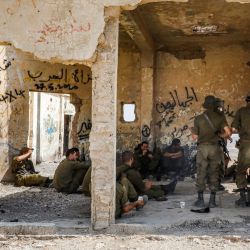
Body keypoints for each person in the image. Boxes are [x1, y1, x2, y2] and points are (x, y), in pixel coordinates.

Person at [192, 95, 231, 208]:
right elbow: (228, 133)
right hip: (215, 148)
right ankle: (212, 201)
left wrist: (193, 132)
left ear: (205, 105)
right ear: (214, 105)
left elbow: (194, 137)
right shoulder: (220, 117)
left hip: (202, 148)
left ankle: (200, 201)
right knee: (214, 172)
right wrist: (220, 136)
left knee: (201, 172)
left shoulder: (198, 118)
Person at [81, 166, 147, 218]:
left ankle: (135, 201)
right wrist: (135, 203)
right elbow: (125, 209)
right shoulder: (119, 188)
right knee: (124, 182)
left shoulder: (93, 185)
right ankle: (137, 202)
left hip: (98, 213)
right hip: (114, 214)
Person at [231, 94, 250, 207]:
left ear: (246, 101)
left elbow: (234, 128)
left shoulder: (241, 111)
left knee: (241, 171)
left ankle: (243, 199)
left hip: (246, 146)